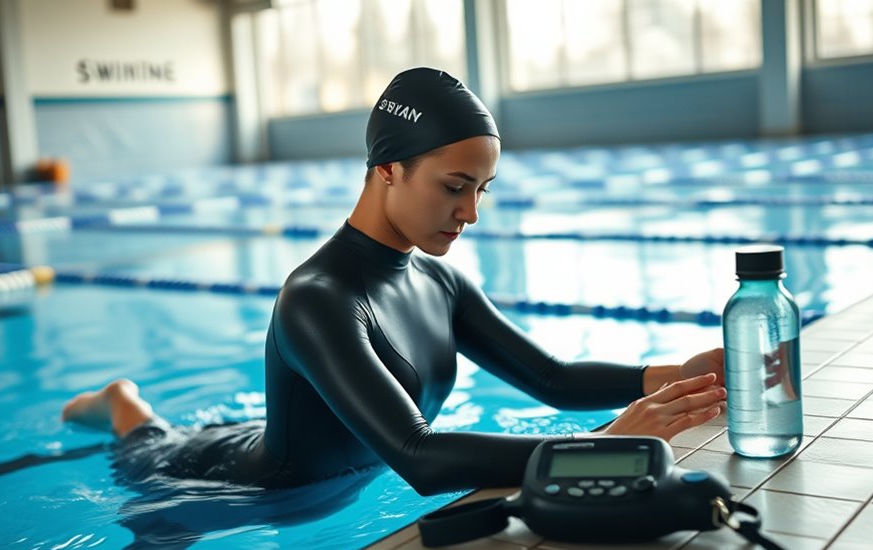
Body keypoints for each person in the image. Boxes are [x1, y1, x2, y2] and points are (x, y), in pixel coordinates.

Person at [62, 67, 726, 496]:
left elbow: (550, 378)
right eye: (454, 187)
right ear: (387, 169)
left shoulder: (439, 281)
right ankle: (124, 403)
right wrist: (599, 447)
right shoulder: (317, 299)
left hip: (316, 457)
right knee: (148, 441)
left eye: (482, 190)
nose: (470, 212)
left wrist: (675, 374)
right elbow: (420, 456)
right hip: (229, 485)